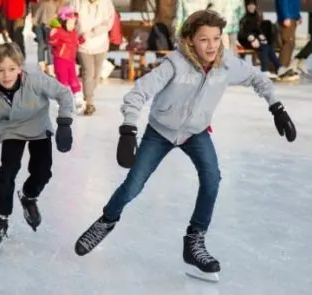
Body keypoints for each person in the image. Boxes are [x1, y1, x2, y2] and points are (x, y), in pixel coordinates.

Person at [73, 9, 297, 282]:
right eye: (204, 39)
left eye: (216, 38)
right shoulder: (175, 64)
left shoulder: (227, 63)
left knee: (212, 179)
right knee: (133, 184)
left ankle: (195, 241)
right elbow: (139, 92)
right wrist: (129, 129)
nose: (212, 45)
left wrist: (277, 107)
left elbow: (258, 78)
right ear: (191, 40)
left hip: (196, 132)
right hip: (160, 131)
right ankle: (107, 220)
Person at [0, 43, 74, 251]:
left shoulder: (36, 80)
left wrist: (64, 123)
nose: (6, 75)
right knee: (7, 173)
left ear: (20, 67)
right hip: (10, 130)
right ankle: (0, 219)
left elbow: (64, 94)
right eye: (0, 70)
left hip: (39, 128)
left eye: (11, 69)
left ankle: (29, 196)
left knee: (42, 172)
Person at [70, 0, 115, 115]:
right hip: (83, 44)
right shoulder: (77, 2)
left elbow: (110, 21)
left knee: (96, 74)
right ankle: (89, 101)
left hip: (101, 43)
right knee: (88, 72)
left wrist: (94, 31)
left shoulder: (106, 3)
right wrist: (76, 31)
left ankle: (89, 94)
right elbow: (69, 18)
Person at [238, 0, 291, 80]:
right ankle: (265, 70)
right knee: (263, 46)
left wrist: (260, 35)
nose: (251, 7)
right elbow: (242, 32)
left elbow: (256, 29)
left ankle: (278, 68)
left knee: (267, 45)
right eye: (249, 5)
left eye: (253, 5)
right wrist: (251, 38)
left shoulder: (254, 16)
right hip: (244, 40)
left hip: (253, 39)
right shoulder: (243, 17)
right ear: (246, 6)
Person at [49, 6, 85, 111]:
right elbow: (52, 42)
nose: (72, 25)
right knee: (63, 81)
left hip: (71, 60)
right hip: (60, 60)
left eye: (74, 23)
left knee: (74, 80)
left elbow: (76, 42)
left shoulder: (73, 32)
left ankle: (78, 100)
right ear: (64, 22)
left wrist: (82, 39)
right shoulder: (59, 31)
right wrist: (53, 34)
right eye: (70, 22)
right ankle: (63, 102)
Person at [32, 0, 64, 76]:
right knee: (49, 46)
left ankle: (42, 66)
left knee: (42, 45)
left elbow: (36, 16)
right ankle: (50, 68)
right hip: (49, 26)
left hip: (40, 25)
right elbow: (58, 15)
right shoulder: (55, 3)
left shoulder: (42, 3)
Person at [275, 0, 301, 80]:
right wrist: (286, 16)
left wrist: (298, 16)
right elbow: (283, 2)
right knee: (288, 42)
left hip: (292, 17)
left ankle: (284, 67)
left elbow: (295, 3)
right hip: (288, 17)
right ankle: (282, 69)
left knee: (290, 43)